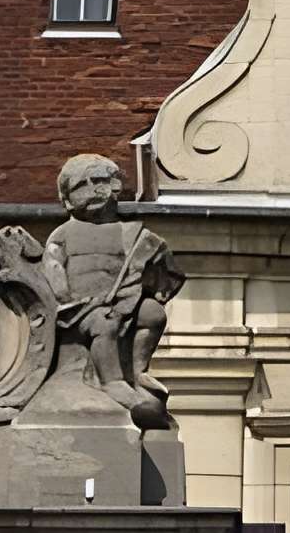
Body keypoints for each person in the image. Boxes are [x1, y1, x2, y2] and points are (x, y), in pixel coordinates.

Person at [32, 153, 182, 420]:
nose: (93, 189)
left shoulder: (129, 232)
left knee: (153, 313)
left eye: (100, 180)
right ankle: (113, 382)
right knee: (105, 324)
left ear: (115, 187)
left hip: (121, 301)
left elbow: (159, 271)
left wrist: (153, 270)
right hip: (77, 309)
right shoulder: (64, 233)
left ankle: (137, 372)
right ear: (67, 199)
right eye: (82, 185)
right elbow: (53, 268)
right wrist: (66, 298)